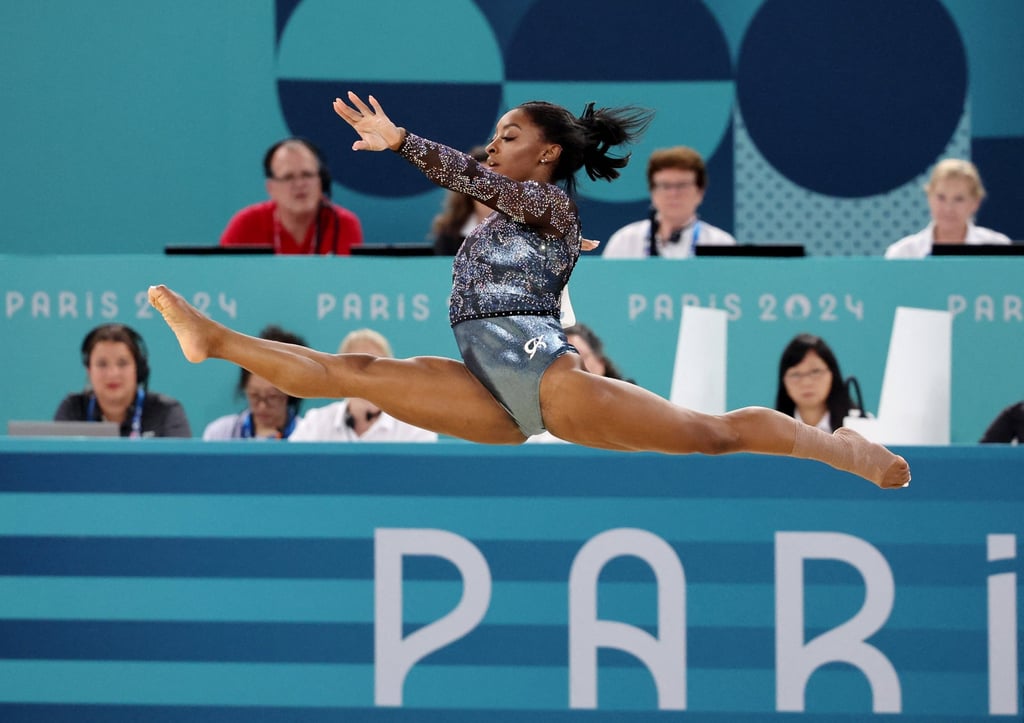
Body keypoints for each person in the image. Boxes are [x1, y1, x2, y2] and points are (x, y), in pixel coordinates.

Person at [147, 90, 909, 490]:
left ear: (546, 153)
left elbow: (474, 179)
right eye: (495, 135)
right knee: (358, 373)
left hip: (544, 373)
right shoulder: (526, 217)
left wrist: (402, 142)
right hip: (489, 386)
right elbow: (489, 198)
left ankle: (837, 447)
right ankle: (214, 342)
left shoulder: (549, 202)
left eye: (509, 135)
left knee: (711, 435)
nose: (493, 146)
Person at [219, 137, 364, 255]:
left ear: (322, 181)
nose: (300, 184)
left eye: (307, 175)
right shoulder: (245, 225)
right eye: (288, 177)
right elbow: (224, 279)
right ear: (271, 188)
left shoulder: (343, 223)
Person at [290, 328, 438, 442]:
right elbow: (292, 468)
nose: (367, 376)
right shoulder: (316, 422)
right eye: (358, 367)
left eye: (377, 366)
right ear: (340, 374)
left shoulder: (414, 427)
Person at [54, 322, 191, 438]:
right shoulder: (73, 410)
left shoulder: (165, 412)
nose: (113, 374)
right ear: (89, 370)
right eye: (102, 364)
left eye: (122, 363)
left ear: (137, 369)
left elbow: (183, 466)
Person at [603, 146, 737, 258]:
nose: (673, 193)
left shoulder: (721, 243)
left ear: (700, 192)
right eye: (665, 186)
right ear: (652, 191)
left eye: (682, 185)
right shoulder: (625, 241)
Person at [885, 158, 1011, 258]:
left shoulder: (999, 248)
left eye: (959, 199)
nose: (948, 208)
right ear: (929, 197)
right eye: (941, 198)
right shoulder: (903, 254)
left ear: (975, 203)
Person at [202, 325, 309, 440]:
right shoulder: (221, 433)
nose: (262, 406)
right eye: (254, 395)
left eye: (272, 397)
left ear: (290, 395)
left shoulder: (309, 434)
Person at [775, 334, 853, 433]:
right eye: (795, 374)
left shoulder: (859, 425)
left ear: (832, 374)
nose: (806, 382)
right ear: (784, 380)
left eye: (815, 371)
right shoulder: (772, 430)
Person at [429, 145, 492, 255]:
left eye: (494, 177)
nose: (486, 184)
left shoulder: (525, 227)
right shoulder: (449, 233)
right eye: (480, 178)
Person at [563, 323, 633, 383]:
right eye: (563, 363)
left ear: (600, 363)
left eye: (578, 357)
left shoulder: (631, 397)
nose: (571, 367)